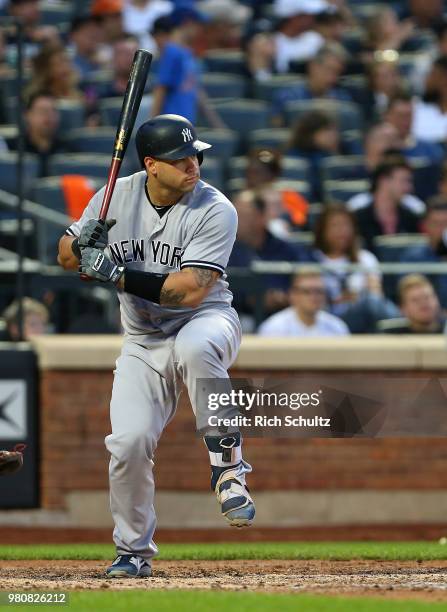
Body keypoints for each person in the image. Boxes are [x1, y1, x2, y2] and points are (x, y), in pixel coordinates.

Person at [57, 114, 255, 578]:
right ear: (151, 165)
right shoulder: (114, 196)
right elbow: (65, 257)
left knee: (194, 347)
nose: (193, 165)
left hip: (206, 320)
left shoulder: (216, 207)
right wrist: (82, 243)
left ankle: (228, 469)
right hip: (143, 340)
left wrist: (114, 271)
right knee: (127, 443)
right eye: (179, 159)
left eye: (195, 155)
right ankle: (132, 551)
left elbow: (188, 290)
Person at [311, 204, 400, 333]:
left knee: (371, 302)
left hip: (357, 316)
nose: (342, 231)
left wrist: (357, 298)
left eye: (346, 225)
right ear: (322, 229)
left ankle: (400, 328)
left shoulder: (365, 258)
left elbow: (376, 296)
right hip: (325, 317)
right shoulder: (312, 259)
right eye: (335, 225)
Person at [228, 189, 312, 322]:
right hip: (236, 319)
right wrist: (252, 298)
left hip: (284, 319)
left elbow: (308, 277)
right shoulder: (223, 251)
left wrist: (284, 296)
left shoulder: (288, 250)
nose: (235, 220)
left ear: (261, 217)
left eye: (242, 215)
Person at [150, 6, 224, 127]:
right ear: (187, 23)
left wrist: (217, 124)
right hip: (171, 124)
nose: (200, 29)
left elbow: (197, 91)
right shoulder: (171, 51)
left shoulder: (187, 52)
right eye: (197, 25)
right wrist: (152, 125)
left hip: (186, 125)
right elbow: (160, 89)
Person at [347, 158, 424, 254]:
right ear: (384, 181)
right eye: (404, 181)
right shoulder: (357, 218)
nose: (409, 188)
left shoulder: (412, 218)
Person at [271, 44, 352, 126]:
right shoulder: (287, 97)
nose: (333, 78)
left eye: (337, 73)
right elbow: (276, 131)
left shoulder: (342, 100)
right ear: (312, 66)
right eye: (329, 70)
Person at [258, 268, 350, 337]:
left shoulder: (337, 327)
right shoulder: (274, 328)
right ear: (293, 295)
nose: (314, 297)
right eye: (307, 292)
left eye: (319, 291)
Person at [401, 197, 447, 308]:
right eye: (437, 224)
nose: (443, 230)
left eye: (446, 223)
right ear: (425, 226)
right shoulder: (412, 258)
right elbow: (408, 296)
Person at [6, 93, 66, 177]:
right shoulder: (11, 150)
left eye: (53, 110)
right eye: (42, 111)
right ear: (27, 115)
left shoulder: (68, 150)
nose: (49, 116)